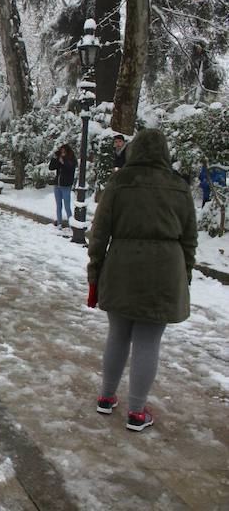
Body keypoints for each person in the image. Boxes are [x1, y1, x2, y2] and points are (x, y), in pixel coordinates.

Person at [87, 129, 197, 432]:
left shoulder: (119, 182)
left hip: (121, 267)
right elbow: (189, 239)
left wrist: (94, 272)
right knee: (148, 341)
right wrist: (183, 274)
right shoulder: (179, 187)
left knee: (118, 335)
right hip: (164, 272)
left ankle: (106, 398)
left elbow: (99, 233)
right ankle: (136, 412)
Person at [49, 144, 77, 229]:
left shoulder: (71, 159)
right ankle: (59, 223)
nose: (62, 153)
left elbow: (70, 168)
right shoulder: (59, 159)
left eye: (64, 152)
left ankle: (71, 224)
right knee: (59, 205)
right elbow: (51, 167)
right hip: (57, 185)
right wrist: (54, 158)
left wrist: (63, 161)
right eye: (61, 151)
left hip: (66, 186)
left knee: (67, 206)